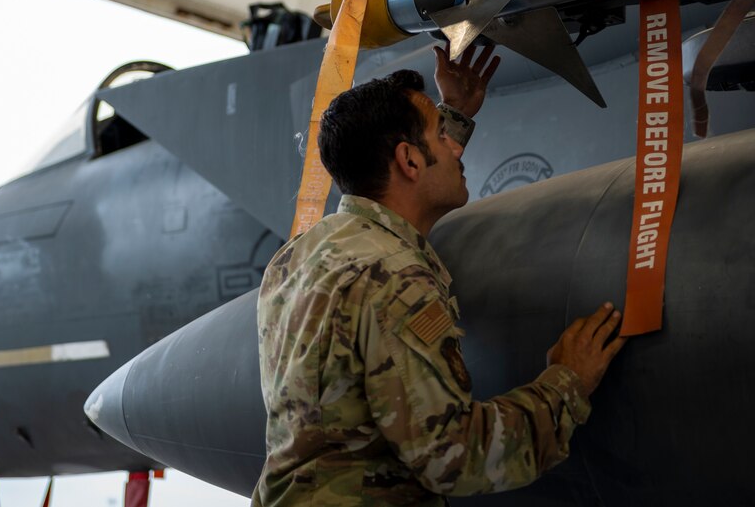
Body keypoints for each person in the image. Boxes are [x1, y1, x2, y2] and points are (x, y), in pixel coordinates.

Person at [253, 43, 627, 507]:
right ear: (409, 160)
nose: (454, 146)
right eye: (439, 136)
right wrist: (568, 381)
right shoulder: (392, 278)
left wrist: (451, 113)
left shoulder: (297, 258)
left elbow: (409, 164)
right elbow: (453, 456)